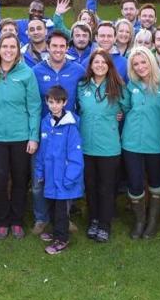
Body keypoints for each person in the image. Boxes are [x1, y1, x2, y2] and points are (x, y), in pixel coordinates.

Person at [0, 34, 41, 239]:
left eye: (12, 47)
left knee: (20, 180)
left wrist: (33, 137)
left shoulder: (27, 73)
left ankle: (16, 220)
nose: (8, 50)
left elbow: (34, 106)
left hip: (21, 136)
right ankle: (1, 220)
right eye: (4, 46)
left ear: (18, 50)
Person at [31, 30, 87, 233]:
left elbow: (84, 98)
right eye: (54, 45)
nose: (58, 49)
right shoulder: (36, 71)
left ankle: (63, 217)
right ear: (48, 46)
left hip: (66, 132)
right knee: (39, 178)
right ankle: (41, 218)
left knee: (65, 175)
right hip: (44, 132)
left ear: (67, 48)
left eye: (62, 46)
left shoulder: (78, 70)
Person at [121, 46, 160, 239]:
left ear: (151, 61)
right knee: (135, 183)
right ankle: (139, 221)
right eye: (136, 64)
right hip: (131, 142)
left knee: (156, 181)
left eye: (143, 62)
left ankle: (152, 222)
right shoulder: (131, 84)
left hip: (156, 142)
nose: (140, 67)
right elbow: (125, 107)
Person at [77, 50, 126, 243]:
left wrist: (120, 116)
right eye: (96, 62)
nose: (99, 65)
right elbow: (76, 109)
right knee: (90, 186)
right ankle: (94, 220)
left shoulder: (117, 86)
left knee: (106, 187)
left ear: (109, 65)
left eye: (103, 62)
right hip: (86, 146)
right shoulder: (82, 86)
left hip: (109, 147)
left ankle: (105, 224)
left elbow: (128, 108)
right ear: (90, 65)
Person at [35, 86, 85, 255]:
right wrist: (40, 172)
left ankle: (61, 240)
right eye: (51, 102)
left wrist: (70, 178)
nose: (54, 106)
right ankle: (56, 231)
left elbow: (75, 155)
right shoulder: (45, 122)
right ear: (46, 102)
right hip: (50, 176)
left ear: (65, 102)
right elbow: (42, 152)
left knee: (61, 211)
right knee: (51, 206)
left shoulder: (71, 126)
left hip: (64, 178)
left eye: (58, 102)